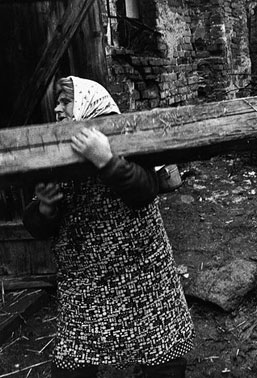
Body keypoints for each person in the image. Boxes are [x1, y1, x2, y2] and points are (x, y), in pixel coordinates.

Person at [23, 76, 194, 378]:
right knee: (72, 362)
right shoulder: (56, 152)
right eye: (57, 104)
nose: (57, 110)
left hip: (140, 269)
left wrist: (106, 160)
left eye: (65, 102)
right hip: (86, 280)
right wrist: (46, 207)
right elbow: (36, 226)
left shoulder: (126, 138)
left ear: (88, 103)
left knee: (163, 347)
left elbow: (144, 191)